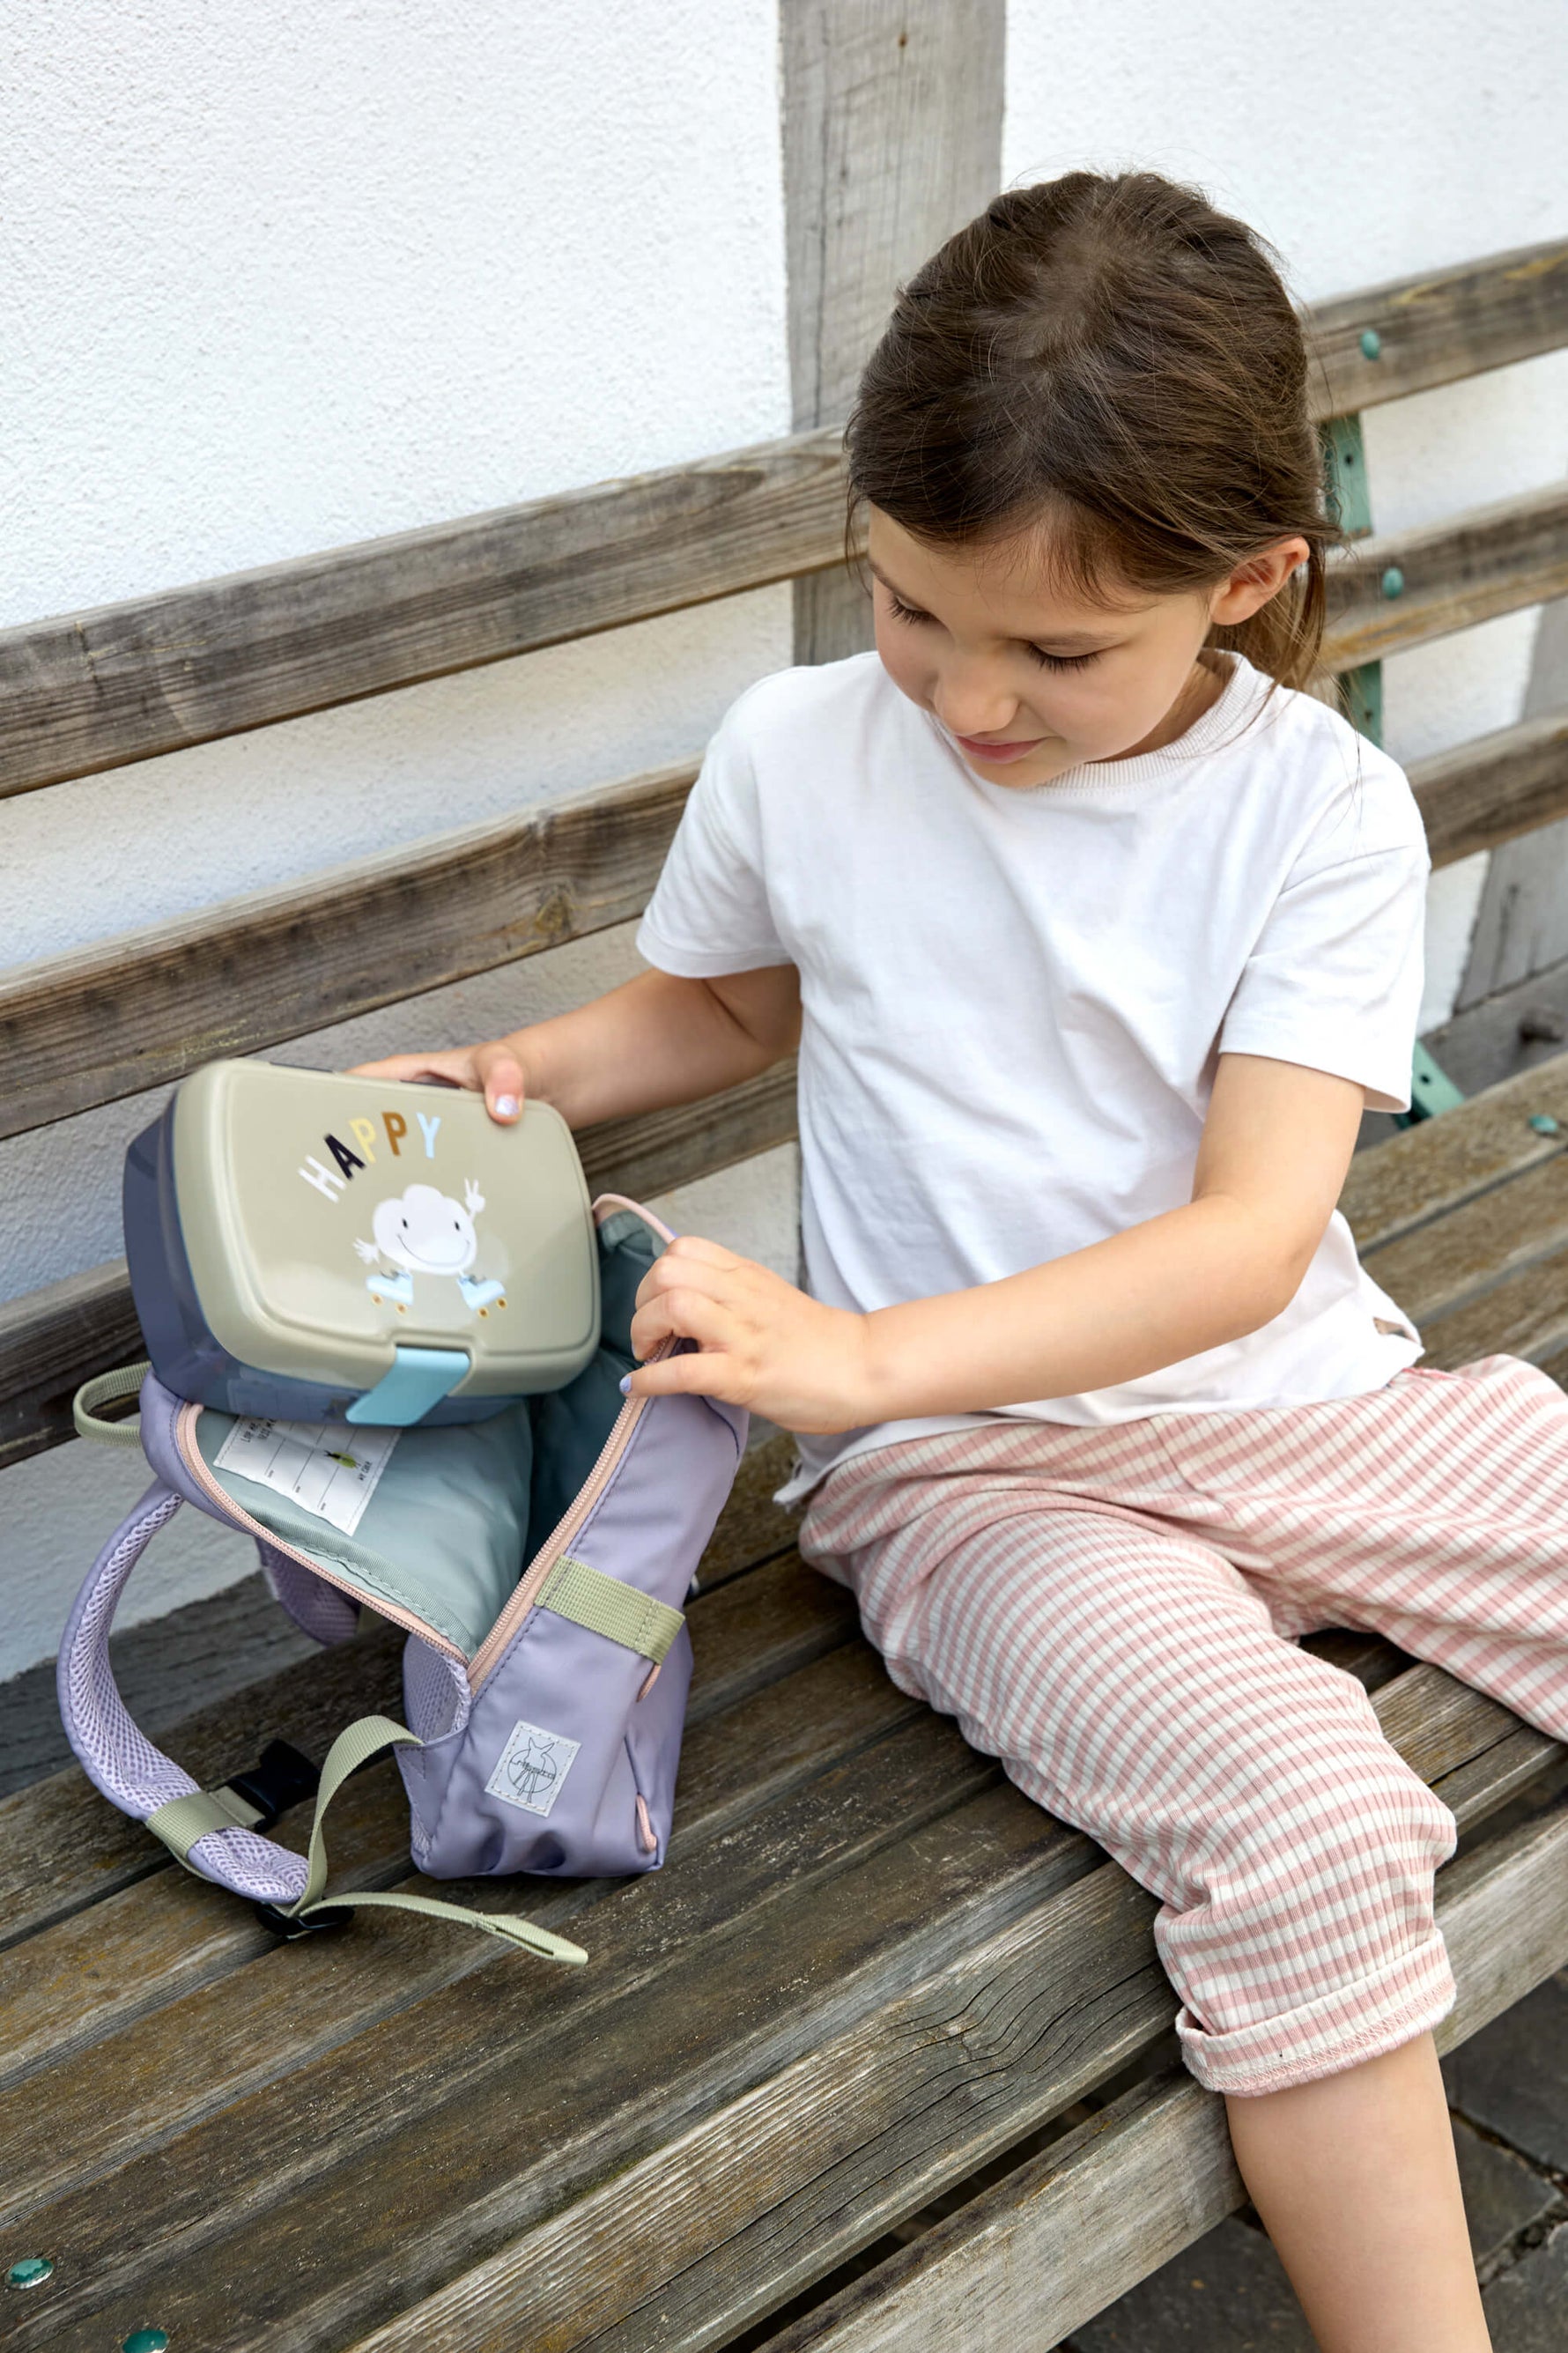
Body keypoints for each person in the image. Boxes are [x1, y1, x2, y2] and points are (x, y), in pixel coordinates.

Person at [354, 172, 1565, 2350]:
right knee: (1307, 1824)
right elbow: (730, 1007)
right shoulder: (803, 754)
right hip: (975, 1483)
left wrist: (865, 1347)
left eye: (1058, 650)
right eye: (914, 611)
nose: (966, 701)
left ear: (1246, 580)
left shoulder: (1314, 813)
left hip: (1303, 1398)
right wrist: (526, 1064)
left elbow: (1245, 1237)